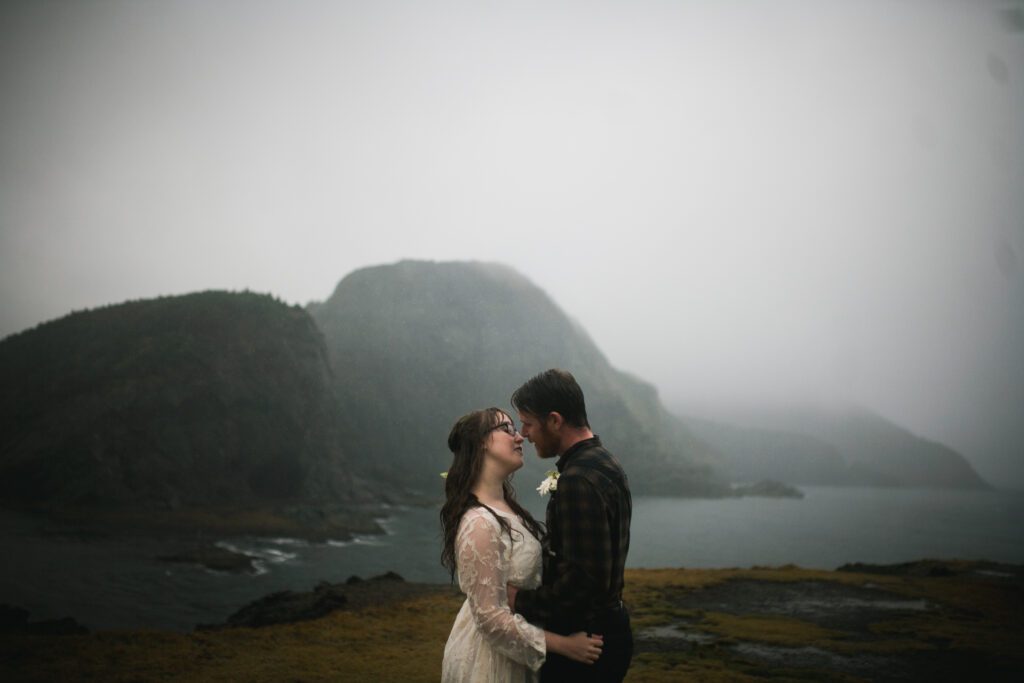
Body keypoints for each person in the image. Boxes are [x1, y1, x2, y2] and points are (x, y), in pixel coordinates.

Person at [440, 407, 604, 682]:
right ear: (480, 441)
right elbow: (490, 619)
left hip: (513, 656)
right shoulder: (479, 522)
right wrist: (565, 645)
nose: (519, 437)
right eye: (506, 429)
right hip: (490, 663)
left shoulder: (506, 508)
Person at [507, 369, 633, 682]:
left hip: (586, 641)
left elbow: (583, 583)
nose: (523, 434)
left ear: (554, 420)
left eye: (528, 423)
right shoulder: (604, 461)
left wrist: (518, 600)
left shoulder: (577, 480)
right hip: (608, 630)